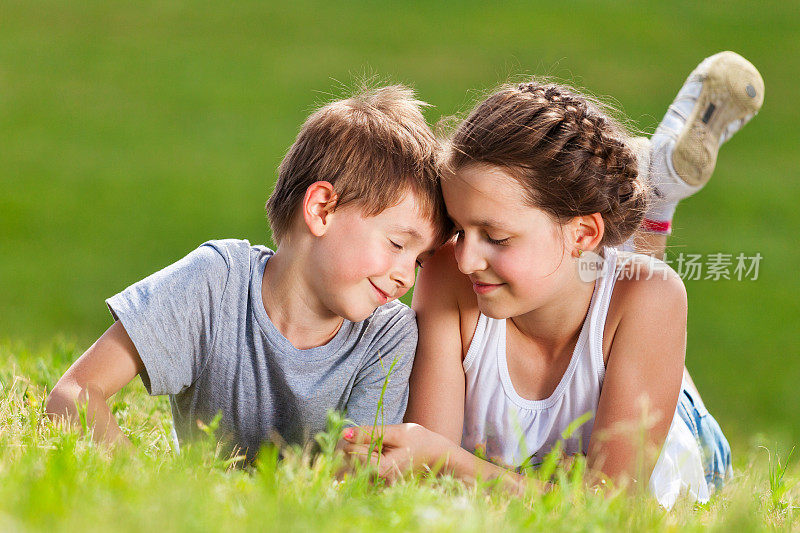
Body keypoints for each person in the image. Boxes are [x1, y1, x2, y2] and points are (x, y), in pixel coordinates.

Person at [342, 52, 764, 508]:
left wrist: (452, 462)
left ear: (583, 232)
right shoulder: (448, 274)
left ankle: (651, 209)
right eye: (460, 229)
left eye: (497, 237)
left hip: (685, 438)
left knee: (642, 285)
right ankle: (649, 203)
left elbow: (614, 508)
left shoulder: (652, 297)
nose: (465, 259)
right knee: (602, 280)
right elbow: (421, 477)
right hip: (584, 272)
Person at [45, 84, 451, 464]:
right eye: (398, 244)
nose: (406, 278)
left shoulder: (389, 336)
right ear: (321, 209)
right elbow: (73, 394)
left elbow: (356, 479)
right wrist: (148, 489)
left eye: (418, 260)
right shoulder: (216, 282)